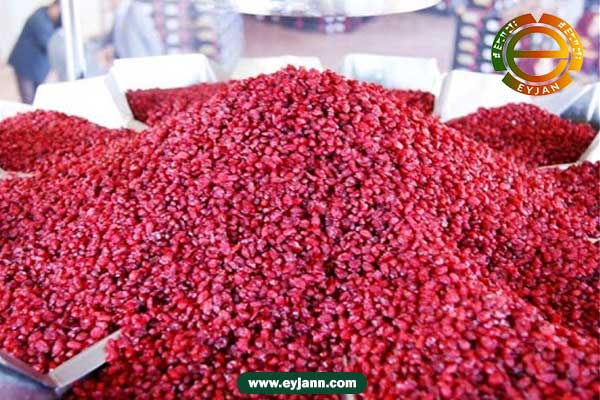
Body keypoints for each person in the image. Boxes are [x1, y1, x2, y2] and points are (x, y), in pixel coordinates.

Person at [8, 1, 62, 104]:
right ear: (55, 7)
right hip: (25, 66)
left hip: (38, 68)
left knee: (37, 99)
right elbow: (49, 45)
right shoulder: (39, 18)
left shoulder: (53, 21)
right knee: (28, 101)